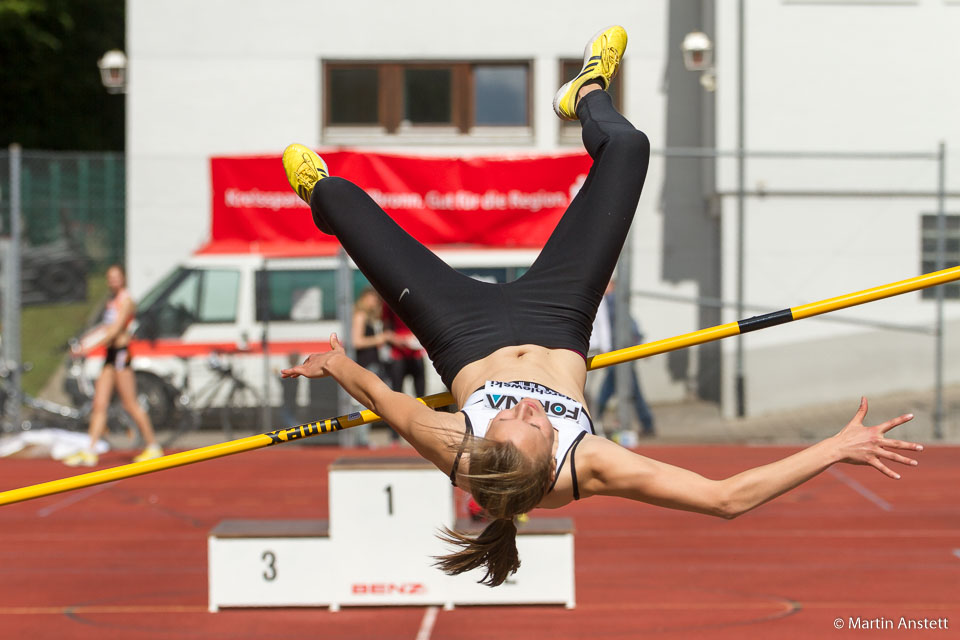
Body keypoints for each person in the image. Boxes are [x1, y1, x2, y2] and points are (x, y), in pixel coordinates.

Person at [279, 26, 922, 587]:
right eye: (535, 421)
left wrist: (335, 364)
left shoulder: (459, 448)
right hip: (560, 317)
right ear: (547, 455)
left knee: (340, 200)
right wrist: (833, 449)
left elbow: (385, 398)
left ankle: (319, 194)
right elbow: (725, 498)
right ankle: (587, 92)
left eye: (509, 414)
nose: (526, 403)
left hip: (460, 331)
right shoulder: (587, 464)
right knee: (631, 149)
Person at [64, 264, 163, 466]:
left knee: (130, 403)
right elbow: (103, 328)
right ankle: (90, 449)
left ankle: (153, 445)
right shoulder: (111, 302)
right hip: (110, 355)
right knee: (99, 403)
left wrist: (87, 349)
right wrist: (83, 341)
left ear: (123, 278)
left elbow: (114, 330)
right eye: (109, 277)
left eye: (116, 277)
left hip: (121, 355)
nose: (112, 281)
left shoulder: (126, 301)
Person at [590, 279, 655, 437]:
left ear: (611, 286)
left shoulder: (613, 302)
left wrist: (637, 344)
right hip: (618, 354)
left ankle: (594, 420)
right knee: (628, 390)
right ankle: (647, 423)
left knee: (612, 391)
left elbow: (628, 325)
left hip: (619, 354)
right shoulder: (612, 302)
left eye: (607, 285)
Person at [349, 288, 392, 446]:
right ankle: (361, 440)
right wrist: (379, 339)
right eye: (373, 299)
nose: (376, 302)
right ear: (365, 298)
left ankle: (362, 439)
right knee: (364, 403)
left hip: (372, 364)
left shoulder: (369, 317)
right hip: (365, 364)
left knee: (376, 399)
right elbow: (356, 341)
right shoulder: (360, 315)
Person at [381, 303, 425, 444]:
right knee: (396, 394)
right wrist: (396, 339)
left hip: (416, 352)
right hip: (398, 354)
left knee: (422, 396)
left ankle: (423, 432)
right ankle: (394, 435)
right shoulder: (388, 302)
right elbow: (386, 329)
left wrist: (417, 338)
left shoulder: (415, 298)